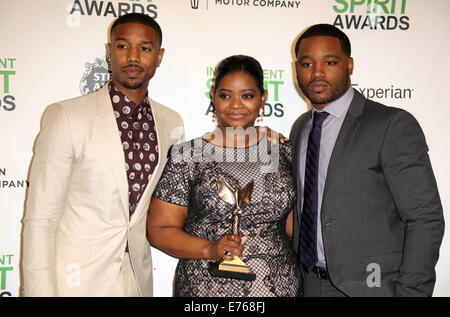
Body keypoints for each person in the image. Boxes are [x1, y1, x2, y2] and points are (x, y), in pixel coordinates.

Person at [22, 13, 184, 296]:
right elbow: (41, 219)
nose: (133, 57)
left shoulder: (172, 123)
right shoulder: (66, 117)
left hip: (137, 280)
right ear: (109, 53)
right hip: (73, 282)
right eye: (122, 46)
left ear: (159, 56)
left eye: (145, 49)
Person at [290, 23, 444, 297]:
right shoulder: (300, 128)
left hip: (372, 289)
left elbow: (424, 218)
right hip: (308, 286)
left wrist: (411, 292)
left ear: (349, 65)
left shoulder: (390, 125)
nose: (317, 73)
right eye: (306, 63)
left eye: (330, 61)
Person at [147, 55, 300, 297]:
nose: (236, 105)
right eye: (226, 95)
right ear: (213, 97)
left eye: (247, 96)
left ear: (263, 98)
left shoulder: (287, 153)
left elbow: (299, 225)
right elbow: (159, 228)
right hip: (205, 289)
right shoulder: (188, 156)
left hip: (277, 288)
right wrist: (209, 249)